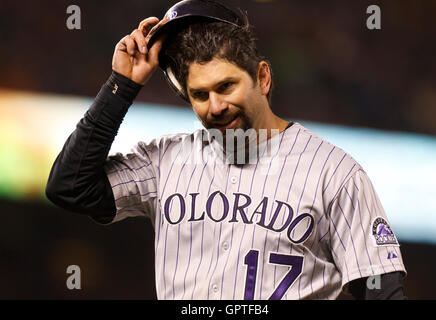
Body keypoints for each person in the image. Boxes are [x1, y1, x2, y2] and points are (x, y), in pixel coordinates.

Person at [46, 0, 407, 300]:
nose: (215, 105)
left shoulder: (335, 173)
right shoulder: (165, 161)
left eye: (226, 86)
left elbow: (383, 291)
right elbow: (70, 187)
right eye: (200, 95)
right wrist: (121, 86)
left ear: (262, 78)